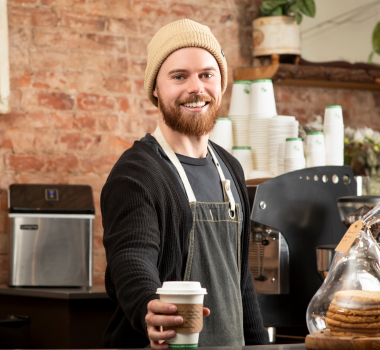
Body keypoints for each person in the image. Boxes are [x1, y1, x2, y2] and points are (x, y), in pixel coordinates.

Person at [101, 19, 269, 349]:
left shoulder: (230, 169)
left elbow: (240, 281)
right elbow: (132, 258)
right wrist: (150, 307)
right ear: (155, 89)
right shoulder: (136, 174)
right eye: (179, 76)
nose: (196, 88)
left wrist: (260, 346)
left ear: (220, 85)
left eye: (207, 74)